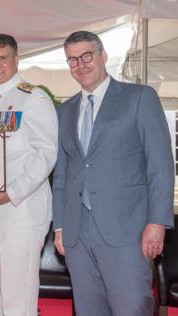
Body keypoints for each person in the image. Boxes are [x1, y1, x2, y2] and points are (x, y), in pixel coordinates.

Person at [52, 30, 174, 316]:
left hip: (128, 231)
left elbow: (160, 165)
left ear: (103, 56)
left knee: (131, 309)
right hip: (77, 234)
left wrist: (157, 222)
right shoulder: (65, 111)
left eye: (86, 56)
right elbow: (62, 174)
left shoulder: (140, 97)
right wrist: (60, 226)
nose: (80, 65)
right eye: (72, 60)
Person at [0, 34, 58, 316]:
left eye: (2, 58)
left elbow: (46, 153)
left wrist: (11, 192)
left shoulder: (33, 98)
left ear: (16, 59)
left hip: (21, 210)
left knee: (18, 299)